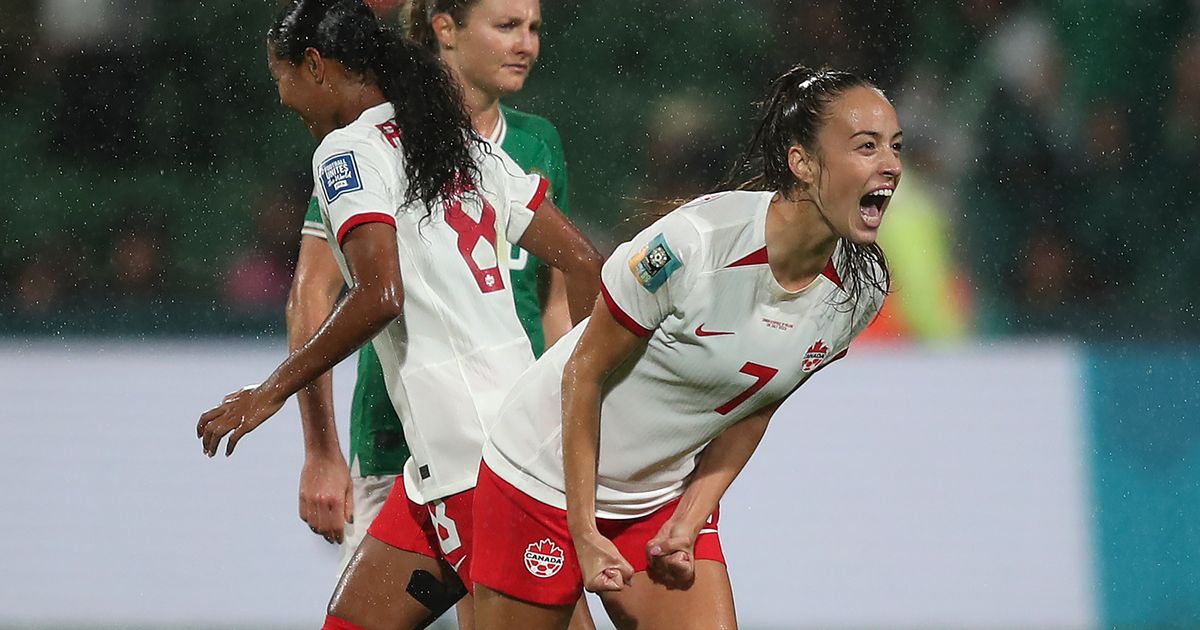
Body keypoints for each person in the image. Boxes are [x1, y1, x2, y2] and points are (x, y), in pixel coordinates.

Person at [195, 2, 601, 630]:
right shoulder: (456, 142)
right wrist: (576, 396)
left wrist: (270, 390)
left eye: (283, 79)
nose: (284, 99)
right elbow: (580, 260)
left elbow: (381, 295)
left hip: (480, 465)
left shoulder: (347, 155)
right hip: (457, 459)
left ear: (316, 66)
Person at [471, 65, 901, 629]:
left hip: (658, 498)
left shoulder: (858, 295)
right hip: (542, 480)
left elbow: (757, 402)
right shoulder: (691, 245)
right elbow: (583, 373)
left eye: (895, 146)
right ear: (802, 163)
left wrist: (689, 521)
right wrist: (582, 529)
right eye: (866, 147)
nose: (890, 165)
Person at [287, 0, 575, 589]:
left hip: (511, 437)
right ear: (444, 28)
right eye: (506, 27)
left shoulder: (539, 143)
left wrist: (571, 424)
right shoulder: (375, 143)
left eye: (534, 29)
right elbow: (312, 297)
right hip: (396, 435)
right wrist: (321, 448)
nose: (526, 44)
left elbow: (555, 304)